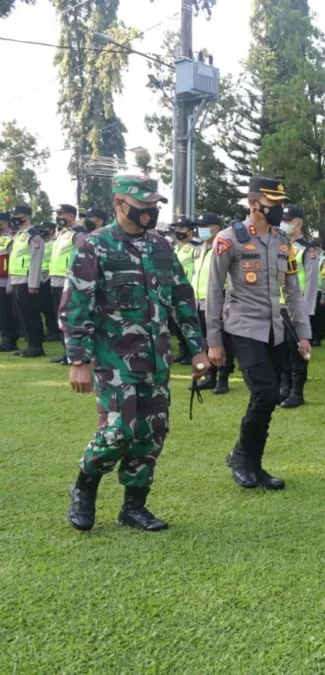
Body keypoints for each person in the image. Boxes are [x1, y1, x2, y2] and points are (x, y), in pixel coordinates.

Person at [62, 174, 209, 532]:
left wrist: (198, 349)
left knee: (151, 433)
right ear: (119, 204)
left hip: (157, 358)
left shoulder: (160, 246)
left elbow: (182, 298)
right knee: (118, 432)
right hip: (114, 359)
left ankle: (134, 506)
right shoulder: (95, 246)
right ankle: (85, 483)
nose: (150, 213)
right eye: (143, 206)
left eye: (153, 206)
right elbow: (76, 306)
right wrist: (78, 360)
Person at [205, 177, 312, 490]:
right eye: (272, 203)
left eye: (280, 203)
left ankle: (254, 463)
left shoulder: (282, 241)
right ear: (254, 204)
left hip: (274, 330)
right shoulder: (229, 239)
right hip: (242, 326)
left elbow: (293, 290)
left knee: (271, 395)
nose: (279, 208)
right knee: (265, 392)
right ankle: (241, 457)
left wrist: (302, 333)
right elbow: (214, 290)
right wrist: (213, 341)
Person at [277, 205, 319, 409]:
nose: (284, 224)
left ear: (298, 223)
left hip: (297, 307)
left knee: (298, 352)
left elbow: (311, 283)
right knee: (282, 350)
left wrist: (307, 312)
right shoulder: (279, 245)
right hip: (279, 306)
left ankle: (296, 392)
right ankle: (284, 387)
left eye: (289, 220)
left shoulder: (307, 249)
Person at [192, 212, 234, 395]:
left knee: (222, 341)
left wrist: (224, 303)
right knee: (205, 340)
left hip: (217, 300)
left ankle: (223, 378)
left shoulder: (223, 246)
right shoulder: (200, 249)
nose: (200, 230)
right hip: (199, 300)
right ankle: (210, 376)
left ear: (215, 228)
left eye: (204, 226)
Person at [48, 205, 89, 364]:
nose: (58, 216)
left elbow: (82, 256)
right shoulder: (61, 234)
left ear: (72, 215)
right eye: (57, 214)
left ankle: (75, 353)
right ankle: (66, 352)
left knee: (70, 318)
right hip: (56, 279)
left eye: (61, 213)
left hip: (68, 279)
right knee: (59, 318)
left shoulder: (77, 233)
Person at [7, 204, 46, 358]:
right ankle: (30, 344)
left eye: (18, 215)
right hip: (17, 279)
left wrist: (33, 284)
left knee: (31, 314)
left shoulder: (33, 235)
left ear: (27, 216)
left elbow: (36, 261)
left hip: (26, 281)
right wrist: (10, 282)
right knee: (22, 315)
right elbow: (14, 260)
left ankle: (36, 346)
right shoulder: (19, 235)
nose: (15, 218)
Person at [171, 217, 199, 366]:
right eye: (177, 228)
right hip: (176, 290)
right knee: (177, 323)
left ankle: (191, 352)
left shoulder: (196, 247)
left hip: (190, 290)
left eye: (182, 228)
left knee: (189, 322)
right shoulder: (176, 248)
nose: (178, 231)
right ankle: (183, 351)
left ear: (190, 230)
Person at [37, 220, 61, 342]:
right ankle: (50, 330)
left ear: (51, 230)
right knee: (45, 307)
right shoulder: (42, 242)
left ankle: (55, 331)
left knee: (51, 307)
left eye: (45, 228)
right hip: (41, 276)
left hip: (49, 277)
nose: (42, 231)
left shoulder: (54, 242)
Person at [0, 212, 18, 351]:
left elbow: (13, 262)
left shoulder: (10, 240)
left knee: (6, 312)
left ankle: (10, 340)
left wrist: (10, 282)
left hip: (5, 280)